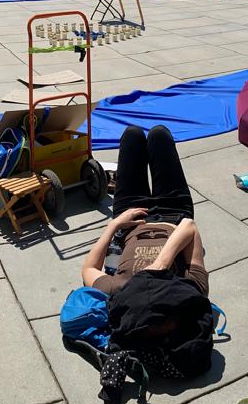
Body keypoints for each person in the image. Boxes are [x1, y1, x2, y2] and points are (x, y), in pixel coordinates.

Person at [80, 125, 205, 296]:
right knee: (159, 134)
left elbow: (89, 269)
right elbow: (189, 226)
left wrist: (115, 224)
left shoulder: (119, 292)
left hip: (130, 218)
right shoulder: (189, 293)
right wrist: (160, 265)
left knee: (132, 135)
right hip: (174, 214)